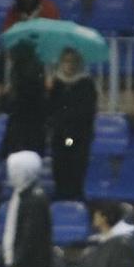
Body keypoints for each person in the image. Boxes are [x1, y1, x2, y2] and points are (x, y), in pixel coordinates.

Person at [0, 153, 54, 267]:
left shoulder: (35, 199)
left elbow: (29, 237)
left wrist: (16, 264)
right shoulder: (21, 195)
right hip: (22, 266)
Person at [47, 49, 97, 201]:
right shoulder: (55, 83)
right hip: (59, 136)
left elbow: (87, 112)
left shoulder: (86, 84)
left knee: (76, 172)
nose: (69, 65)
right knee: (60, 171)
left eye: (72, 61)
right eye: (66, 61)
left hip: (79, 136)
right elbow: (50, 109)